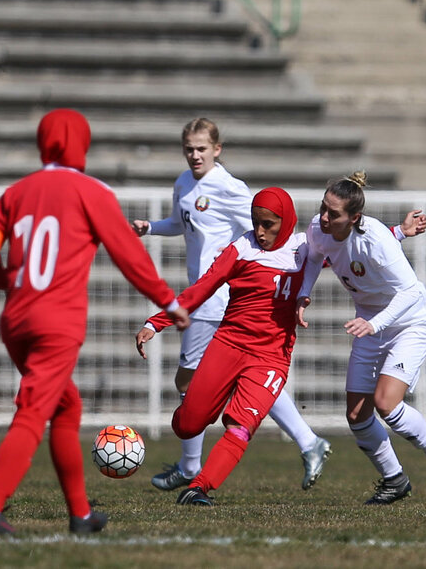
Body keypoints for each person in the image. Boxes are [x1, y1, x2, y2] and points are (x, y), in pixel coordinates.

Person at [0, 108, 190, 535]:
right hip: (57, 322)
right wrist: (167, 299)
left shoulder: (14, 193)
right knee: (33, 410)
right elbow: (127, 252)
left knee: (65, 405)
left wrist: (5, 281)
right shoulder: (92, 191)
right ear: (81, 145)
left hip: (16, 319)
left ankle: (81, 514)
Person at [129, 118, 340, 491]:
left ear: (217, 149)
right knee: (204, 399)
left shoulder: (232, 191)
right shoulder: (186, 185)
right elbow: (182, 225)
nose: (195, 155)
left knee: (217, 391)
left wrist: (396, 234)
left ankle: (193, 471)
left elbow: (290, 238)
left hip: (226, 307)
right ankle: (306, 441)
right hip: (211, 301)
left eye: (201, 148)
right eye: (189, 149)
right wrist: (152, 229)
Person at [135, 187, 316, 505]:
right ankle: (191, 424)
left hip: (271, 357)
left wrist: (397, 233)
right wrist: (156, 322)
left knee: (241, 424)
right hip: (228, 344)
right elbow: (203, 287)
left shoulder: (305, 248)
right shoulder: (242, 248)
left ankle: (199, 488)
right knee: (188, 425)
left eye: (268, 224)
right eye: (256, 223)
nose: (260, 232)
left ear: (287, 221)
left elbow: (350, 248)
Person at [296, 171, 426, 505]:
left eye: (333, 213)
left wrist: (375, 323)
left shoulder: (375, 237)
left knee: (386, 402)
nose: (323, 217)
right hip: (370, 323)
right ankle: (395, 480)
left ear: (354, 218)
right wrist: (303, 294)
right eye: (323, 208)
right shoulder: (319, 228)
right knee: (357, 415)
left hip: (410, 323)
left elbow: (411, 292)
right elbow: (313, 255)